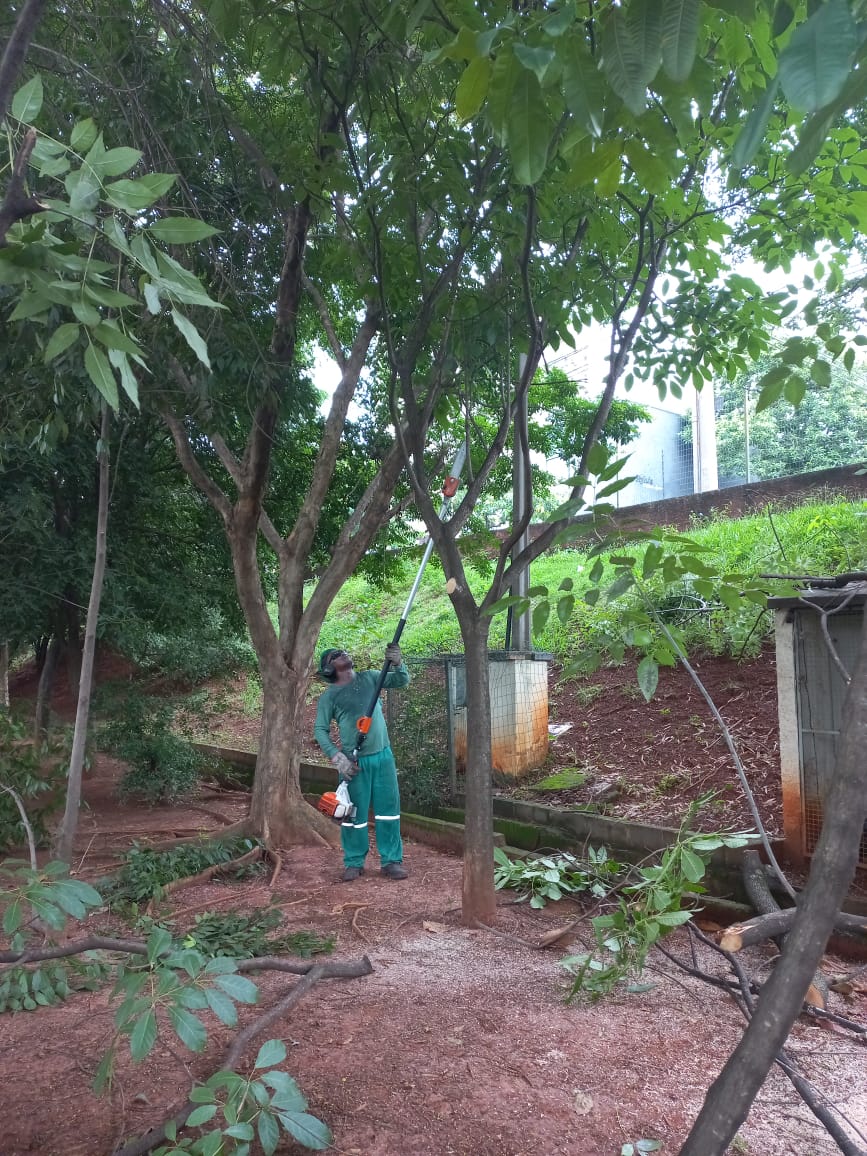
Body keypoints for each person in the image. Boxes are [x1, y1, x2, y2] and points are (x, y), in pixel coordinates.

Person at [314, 643, 410, 882]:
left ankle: (391, 861)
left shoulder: (371, 678)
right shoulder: (330, 696)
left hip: (383, 757)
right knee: (352, 816)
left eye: (343, 651)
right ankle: (354, 862)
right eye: (336, 655)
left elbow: (401, 680)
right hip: (353, 765)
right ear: (329, 669)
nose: (343, 654)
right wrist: (337, 758)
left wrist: (398, 662)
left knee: (388, 812)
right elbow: (320, 730)